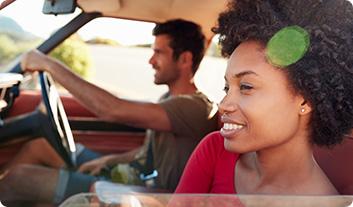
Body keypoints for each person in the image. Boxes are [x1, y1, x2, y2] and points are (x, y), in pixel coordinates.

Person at [0, 19, 219, 204]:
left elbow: (112, 110)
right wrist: (109, 160)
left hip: (145, 194)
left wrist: (48, 64)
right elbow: (146, 152)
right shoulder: (168, 99)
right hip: (132, 175)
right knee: (38, 145)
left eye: (158, 53)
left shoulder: (196, 107)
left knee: (17, 179)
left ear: (185, 59)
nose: (151, 61)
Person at [175, 0, 353, 195]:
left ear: (305, 100)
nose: (223, 104)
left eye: (246, 87)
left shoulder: (323, 202)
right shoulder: (214, 150)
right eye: (227, 88)